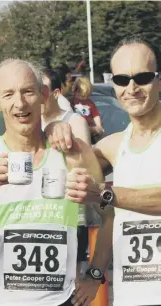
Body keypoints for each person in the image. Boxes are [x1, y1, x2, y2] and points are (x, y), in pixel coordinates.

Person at [0, 58, 111, 306]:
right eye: (8, 94)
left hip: (62, 300)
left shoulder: (72, 151)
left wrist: (95, 274)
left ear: (43, 95)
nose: (20, 103)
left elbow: (109, 214)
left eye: (27, 92)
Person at [46, 36, 161, 306]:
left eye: (142, 77)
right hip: (130, 294)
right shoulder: (113, 146)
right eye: (122, 80)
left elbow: (106, 197)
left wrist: (106, 194)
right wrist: (56, 127)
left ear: (159, 80)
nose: (131, 88)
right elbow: (112, 218)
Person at [42, 69, 91, 279]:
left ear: (56, 93)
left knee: (72, 280)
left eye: (42, 89)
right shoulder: (29, 122)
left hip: (70, 215)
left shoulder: (74, 121)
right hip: (39, 213)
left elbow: (85, 168)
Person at [70, 77, 105, 143]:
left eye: (86, 95)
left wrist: (99, 126)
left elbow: (96, 115)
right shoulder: (72, 102)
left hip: (90, 128)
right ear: (75, 91)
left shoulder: (90, 103)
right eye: (82, 95)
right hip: (78, 128)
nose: (84, 97)